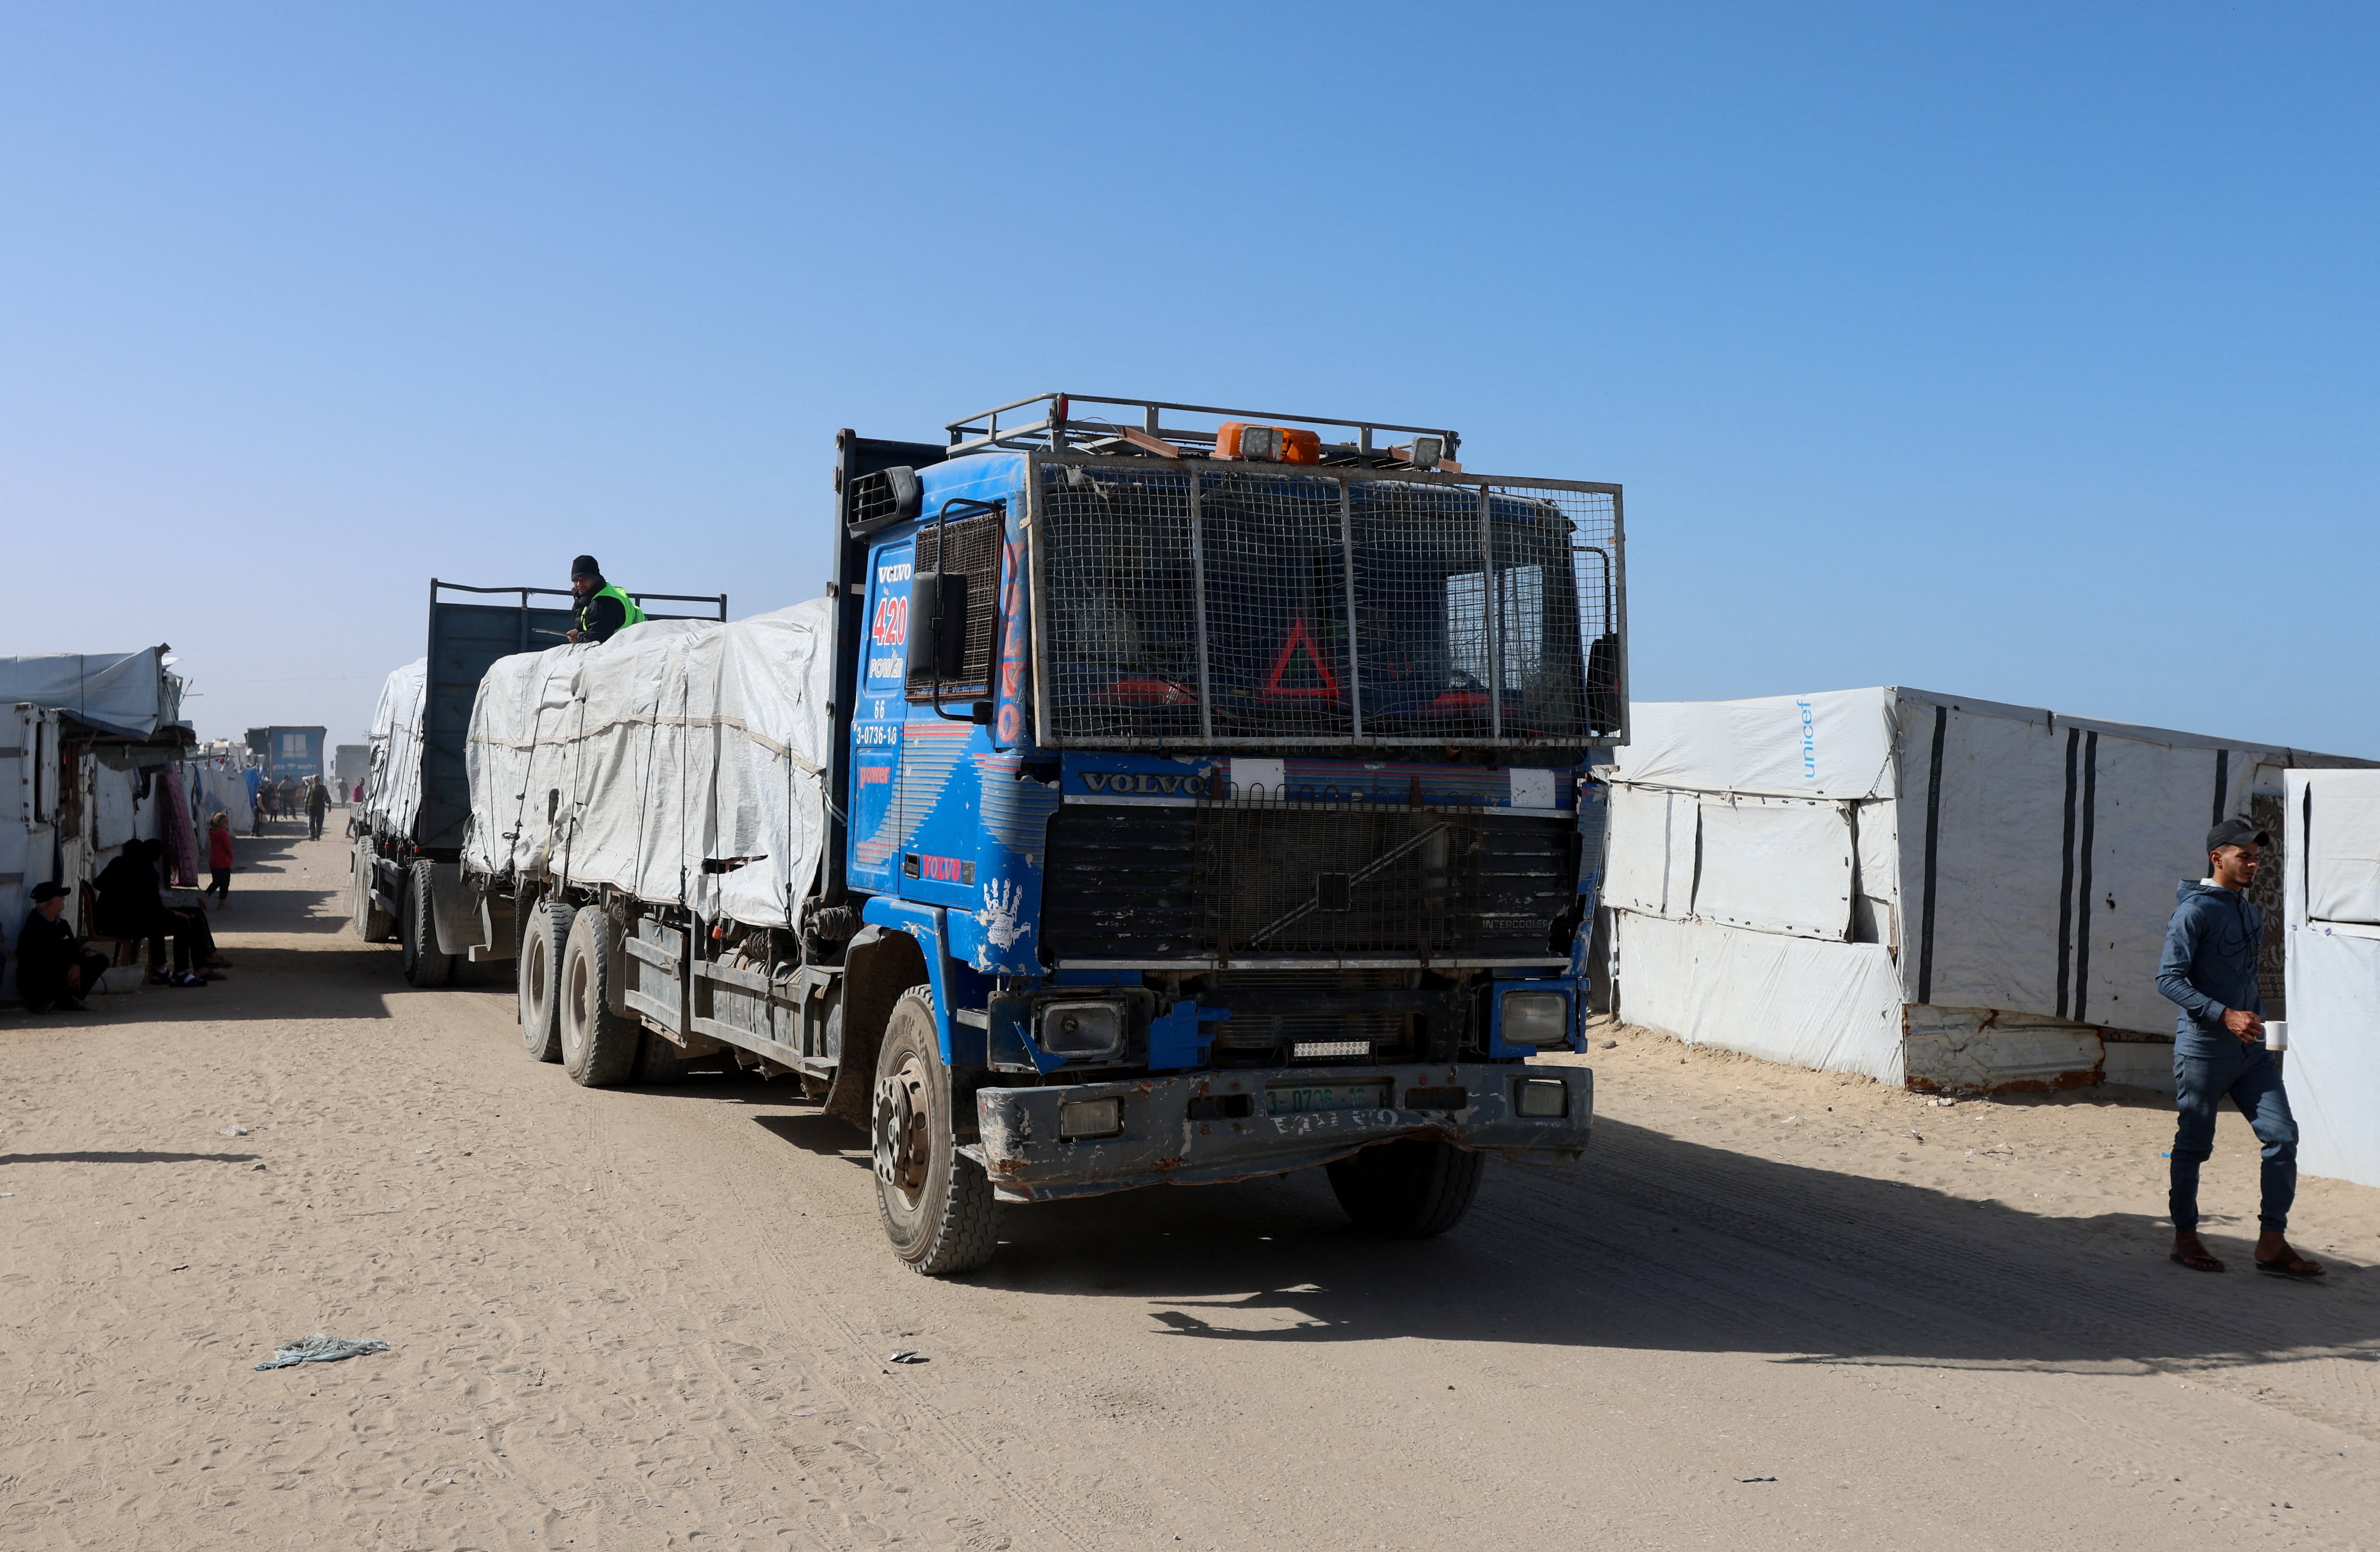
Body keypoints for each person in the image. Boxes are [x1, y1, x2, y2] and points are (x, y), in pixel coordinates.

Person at [2158, 817, 2322, 1278]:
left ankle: (2272, 1242)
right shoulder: (2193, 913)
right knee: (2194, 1144)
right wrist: (2224, 1014)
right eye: (2244, 856)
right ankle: (2185, 1235)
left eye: (2256, 858)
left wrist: (2263, 1026)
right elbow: (2168, 979)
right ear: (2218, 858)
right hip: (2204, 1050)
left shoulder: (2251, 913)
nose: (2253, 865)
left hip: (2252, 1053)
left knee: (2282, 1136)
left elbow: (2245, 980)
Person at [94, 838, 223, 987]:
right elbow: (155, 909)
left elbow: (98, 883)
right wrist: (174, 914)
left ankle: (161, 969)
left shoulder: (117, 864)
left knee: (182, 915)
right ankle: (182, 972)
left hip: (107, 922)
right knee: (184, 921)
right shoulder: (147, 872)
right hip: (127, 924)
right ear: (157, 857)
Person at [15, 882, 109, 1012]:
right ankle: (42, 1001)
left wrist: (76, 965)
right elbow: (42, 960)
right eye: (61, 897)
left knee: (100, 961)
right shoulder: (34, 929)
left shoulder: (62, 925)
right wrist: (70, 964)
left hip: (65, 971)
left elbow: (75, 949)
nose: (64, 899)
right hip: (43, 978)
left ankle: (65, 998)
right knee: (50, 970)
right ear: (52, 902)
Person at [565, 555, 646, 644]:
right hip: (635, 633)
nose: (579, 584)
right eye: (575, 580)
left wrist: (578, 636)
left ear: (595, 579)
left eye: (584, 579)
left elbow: (599, 638)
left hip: (636, 641)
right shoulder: (598, 591)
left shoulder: (602, 604)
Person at [206, 811, 236, 908]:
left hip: (213, 861)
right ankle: (221, 903)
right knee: (225, 883)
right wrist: (231, 857)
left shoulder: (213, 833)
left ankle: (205, 897)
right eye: (225, 822)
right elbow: (228, 848)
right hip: (223, 862)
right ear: (218, 823)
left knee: (216, 881)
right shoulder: (223, 834)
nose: (227, 823)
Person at [306, 776, 330, 840]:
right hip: (311, 807)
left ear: (319, 780)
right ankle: (312, 836)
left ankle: (317, 836)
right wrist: (305, 806)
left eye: (317, 779)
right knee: (311, 821)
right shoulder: (310, 788)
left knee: (319, 822)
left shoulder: (323, 788)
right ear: (313, 780)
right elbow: (307, 797)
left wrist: (329, 805)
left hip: (320, 807)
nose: (316, 781)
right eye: (315, 779)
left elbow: (327, 797)